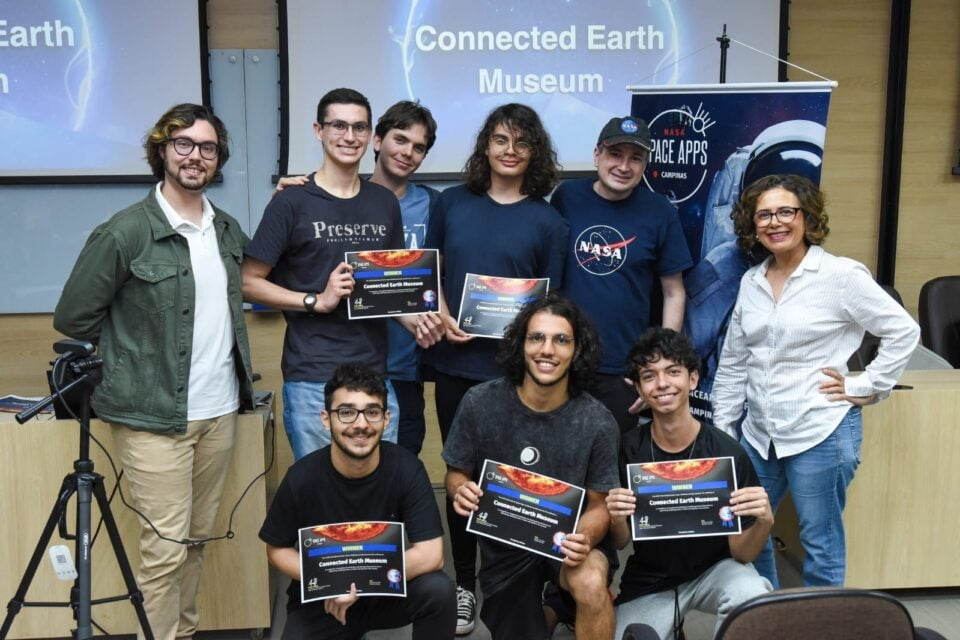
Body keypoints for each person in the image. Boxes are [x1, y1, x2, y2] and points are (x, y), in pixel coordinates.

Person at [53, 103, 255, 640]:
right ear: (162, 150)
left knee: (195, 542)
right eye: (183, 144)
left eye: (207, 147)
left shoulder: (227, 229)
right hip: (151, 419)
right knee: (164, 552)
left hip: (219, 413)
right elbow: (74, 317)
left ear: (218, 159)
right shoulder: (124, 232)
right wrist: (130, 364)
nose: (195, 156)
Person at [711, 173, 920, 587]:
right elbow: (734, 363)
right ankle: (764, 616)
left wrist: (865, 386)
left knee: (819, 543)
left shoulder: (840, 276)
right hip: (758, 436)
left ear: (807, 217)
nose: (775, 222)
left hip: (820, 431)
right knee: (749, 530)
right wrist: (724, 432)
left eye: (786, 212)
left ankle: (819, 627)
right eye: (763, 215)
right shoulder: (751, 282)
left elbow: (903, 330)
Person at [424, 102, 568, 634]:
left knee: (516, 482)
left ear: (536, 153)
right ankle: (464, 583)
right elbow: (429, 270)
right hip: (455, 365)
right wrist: (439, 309)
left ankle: (511, 586)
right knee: (461, 477)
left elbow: (551, 302)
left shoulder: (549, 220)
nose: (510, 152)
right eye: (501, 141)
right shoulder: (451, 203)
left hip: (518, 378)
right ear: (486, 146)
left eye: (521, 143)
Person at [242, 88, 443, 461]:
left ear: (371, 136)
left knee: (377, 501)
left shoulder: (383, 203)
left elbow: (386, 289)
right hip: (312, 376)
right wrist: (315, 301)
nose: (349, 137)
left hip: (374, 377)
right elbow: (247, 282)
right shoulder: (291, 201)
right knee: (323, 501)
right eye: (339, 126)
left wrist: (417, 323)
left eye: (359, 128)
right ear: (319, 130)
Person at [444, 293, 619, 640]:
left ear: (577, 350)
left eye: (561, 340)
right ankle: (552, 609)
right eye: (536, 337)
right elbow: (456, 472)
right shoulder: (480, 403)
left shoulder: (598, 422)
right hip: (506, 551)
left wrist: (583, 538)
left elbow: (600, 506)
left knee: (590, 580)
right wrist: (459, 489)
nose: (547, 350)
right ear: (520, 344)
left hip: (566, 546)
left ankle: (563, 598)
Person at [259, 363, 456, 639]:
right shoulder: (301, 478)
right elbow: (276, 549)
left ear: (386, 419)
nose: (361, 424)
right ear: (326, 419)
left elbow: (431, 555)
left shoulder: (407, 469)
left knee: (439, 591)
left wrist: (356, 583)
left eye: (372, 412)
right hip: (326, 598)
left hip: (388, 587)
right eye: (347, 412)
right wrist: (332, 584)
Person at [608, 328, 773, 640]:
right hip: (651, 578)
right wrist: (616, 516)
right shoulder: (627, 450)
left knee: (751, 598)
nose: (663, 384)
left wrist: (763, 522)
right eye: (649, 376)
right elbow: (619, 541)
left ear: (693, 379)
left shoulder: (727, 452)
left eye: (673, 371)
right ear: (641, 390)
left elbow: (742, 554)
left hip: (716, 571)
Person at [551, 116, 692, 434]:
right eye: (616, 154)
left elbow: (674, 292)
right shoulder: (567, 198)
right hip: (565, 361)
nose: (624, 166)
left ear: (645, 165)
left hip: (624, 369)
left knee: (613, 468)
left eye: (636, 158)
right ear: (597, 155)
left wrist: (660, 368)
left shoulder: (659, 211)